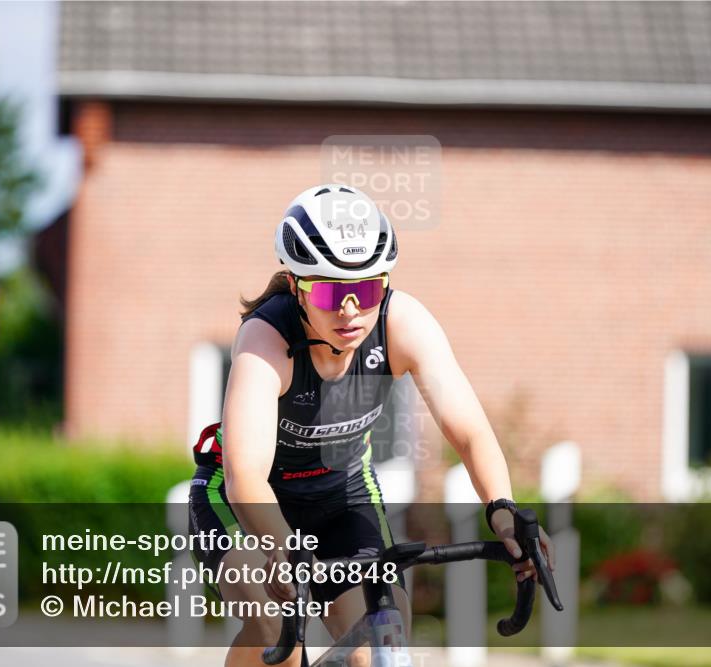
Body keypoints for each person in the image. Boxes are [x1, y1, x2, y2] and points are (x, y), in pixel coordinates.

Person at [188, 184, 554, 667]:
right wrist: (285, 550)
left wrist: (502, 510)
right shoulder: (265, 339)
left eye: (365, 291)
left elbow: (470, 432)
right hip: (243, 505)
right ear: (297, 286)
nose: (349, 311)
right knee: (276, 627)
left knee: (382, 640)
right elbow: (246, 477)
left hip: (342, 496)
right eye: (329, 291)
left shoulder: (403, 323)